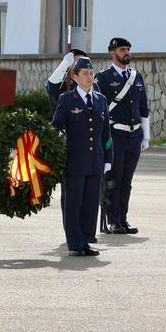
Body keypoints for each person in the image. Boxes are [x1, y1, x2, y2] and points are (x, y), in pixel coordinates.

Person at [51, 56, 111, 257]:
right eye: (85, 73)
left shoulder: (101, 100)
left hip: (96, 161)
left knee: (90, 204)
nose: (89, 77)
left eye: (91, 73)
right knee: (73, 204)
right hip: (74, 162)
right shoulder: (67, 99)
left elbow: (106, 134)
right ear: (75, 77)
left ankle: (86, 241)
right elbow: (55, 127)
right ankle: (75, 244)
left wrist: (108, 159)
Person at [96, 37, 150, 235]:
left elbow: (143, 108)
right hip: (115, 135)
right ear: (112, 53)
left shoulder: (136, 76)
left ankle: (123, 219)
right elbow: (100, 110)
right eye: (122, 50)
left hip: (134, 136)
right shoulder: (103, 78)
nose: (126, 52)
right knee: (114, 179)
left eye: (128, 49)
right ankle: (113, 220)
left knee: (127, 180)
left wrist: (146, 136)